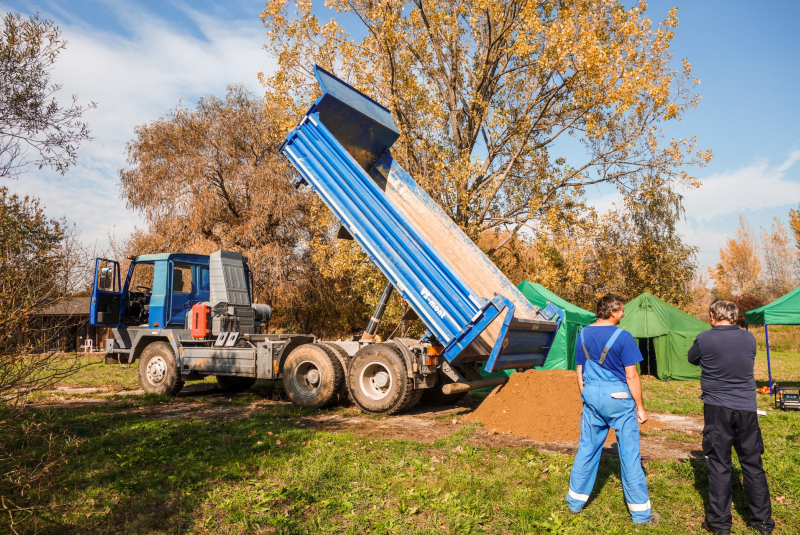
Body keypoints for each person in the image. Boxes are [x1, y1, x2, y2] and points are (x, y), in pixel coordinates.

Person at [566, 294, 659, 525]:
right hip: (618, 397)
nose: (624, 314)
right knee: (629, 454)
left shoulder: (583, 334)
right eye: (622, 310)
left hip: (591, 394)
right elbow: (631, 375)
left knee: (587, 448)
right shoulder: (624, 337)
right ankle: (640, 514)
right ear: (612, 312)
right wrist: (640, 407)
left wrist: (586, 397)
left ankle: (574, 503)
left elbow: (580, 370)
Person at [688, 299, 774, 535]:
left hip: (717, 408)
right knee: (753, 465)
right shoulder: (749, 338)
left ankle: (719, 524)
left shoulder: (705, 338)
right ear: (735, 316)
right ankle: (763, 523)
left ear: (713, 315)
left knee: (719, 465)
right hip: (747, 408)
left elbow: (692, 358)